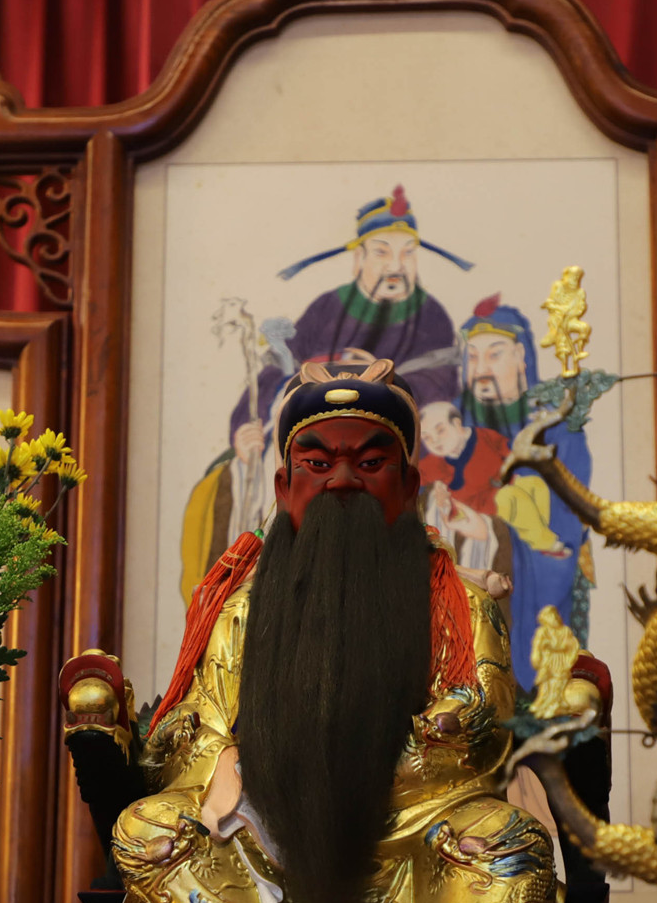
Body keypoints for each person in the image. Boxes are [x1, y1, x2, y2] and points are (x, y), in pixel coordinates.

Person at [111, 360, 581, 903]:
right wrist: (240, 767)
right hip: (271, 822)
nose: (341, 480)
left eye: (369, 463)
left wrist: (408, 744)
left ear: (409, 485)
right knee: (151, 830)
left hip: (416, 821)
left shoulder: (459, 605)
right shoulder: (242, 611)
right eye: (317, 462)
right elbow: (202, 724)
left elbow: (485, 725)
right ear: (285, 486)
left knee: (507, 836)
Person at [180, 186, 472, 602]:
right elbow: (278, 370)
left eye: (407, 254)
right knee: (229, 478)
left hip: (391, 440)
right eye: (382, 252)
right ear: (358, 258)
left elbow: (440, 382)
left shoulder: (432, 315)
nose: (396, 265)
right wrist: (250, 425)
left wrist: (378, 383)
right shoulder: (325, 309)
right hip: (314, 433)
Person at [457, 295, 594, 692]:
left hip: (531, 570)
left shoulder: (555, 427)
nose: (482, 369)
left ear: (521, 357)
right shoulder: (452, 422)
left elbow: (567, 513)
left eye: (494, 354)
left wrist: (497, 525)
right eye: (472, 357)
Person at [417, 400, 511, 579]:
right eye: (427, 437)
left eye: (440, 430)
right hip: (459, 524)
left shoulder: (489, 441)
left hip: (495, 518)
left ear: (457, 424)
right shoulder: (433, 463)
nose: (435, 441)